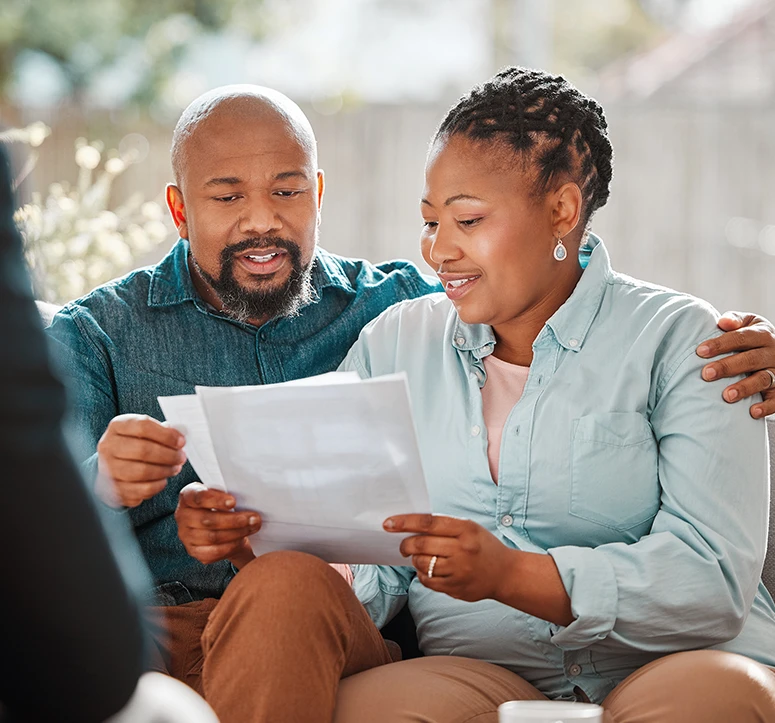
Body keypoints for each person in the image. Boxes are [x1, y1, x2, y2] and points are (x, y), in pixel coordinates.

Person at [48, 84, 775, 721]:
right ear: (179, 208)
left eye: (287, 190)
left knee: (708, 699)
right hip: (183, 630)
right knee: (298, 612)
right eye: (431, 223)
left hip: (659, 657)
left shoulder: (683, 341)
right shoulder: (396, 336)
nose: (439, 252)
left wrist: (510, 574)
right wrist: (237, 535)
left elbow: (708, 573)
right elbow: (373, 558)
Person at [0, 147, 146, 719]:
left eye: (287, 191)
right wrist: (103, 479)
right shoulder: (96, 328)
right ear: (178, 209)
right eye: (229, 196)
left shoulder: (393, 306)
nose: (260, 217)